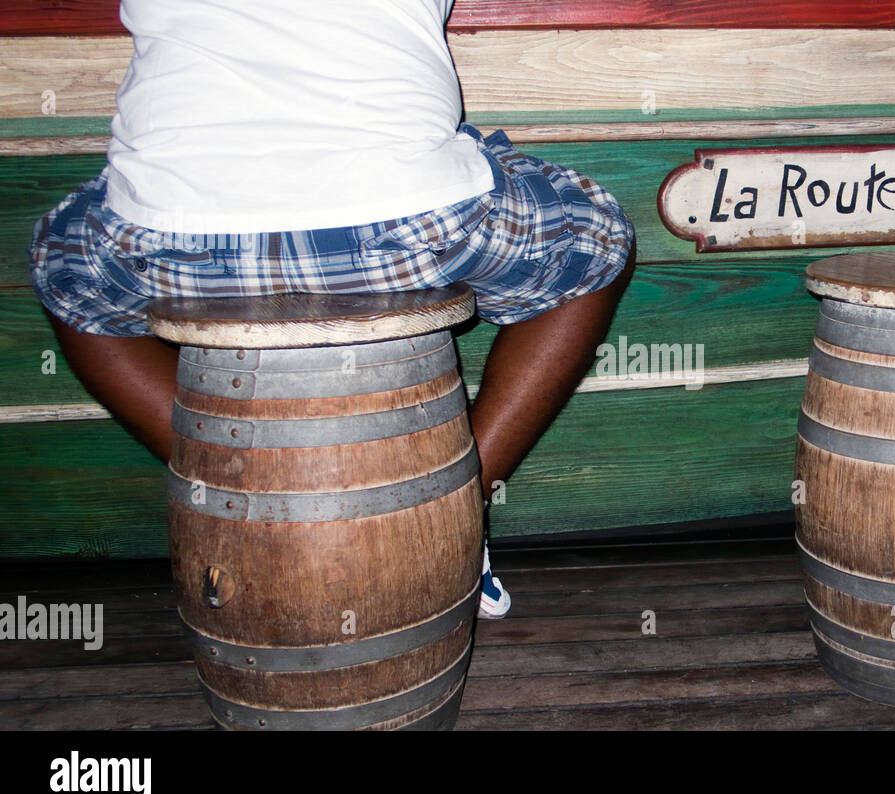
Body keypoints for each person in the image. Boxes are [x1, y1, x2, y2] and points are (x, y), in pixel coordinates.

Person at [27, 0, 635, 619]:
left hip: (171, 235)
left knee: (63, 269)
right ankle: (445, 512)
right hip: (408, 215)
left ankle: (245, 500)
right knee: (594, 239)